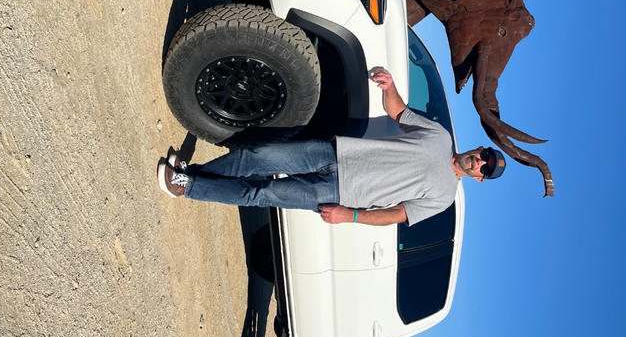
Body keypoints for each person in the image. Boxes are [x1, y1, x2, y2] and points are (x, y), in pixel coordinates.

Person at [157, 66, 505, 226]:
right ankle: (191, 173)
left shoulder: (444, 197)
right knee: (255, 156)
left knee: (261, 193)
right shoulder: (440, 137)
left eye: (484, 169)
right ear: (478, 148)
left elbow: (397, 215)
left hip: (338, 191)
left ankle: (186, 187)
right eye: (483, 155)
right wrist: (389, 86)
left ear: (478, 179)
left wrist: (350, 216)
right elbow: (398, 112)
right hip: (335, 152)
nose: (479, 161)